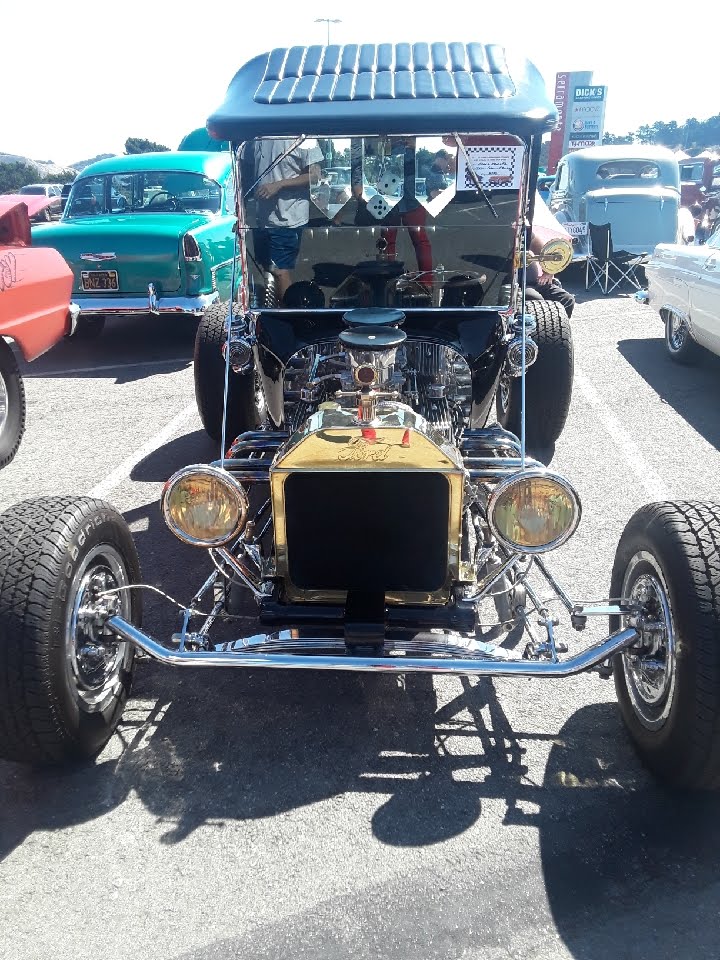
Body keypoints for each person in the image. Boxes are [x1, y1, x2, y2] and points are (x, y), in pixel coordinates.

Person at [253, 138, 323, 304]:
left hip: (288, 216)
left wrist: (279, 185)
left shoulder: (303, 136)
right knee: (267, 268)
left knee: (280, 271)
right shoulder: (257, 135)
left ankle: (288, 317)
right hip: (260, 217)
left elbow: (315, 176)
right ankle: (273, 309)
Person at [525, 228, 575, 318]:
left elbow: (545, 254)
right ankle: (542, 329)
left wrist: (548, 273)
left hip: (537, 282)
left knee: (566, 299)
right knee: (536, 300)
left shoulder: (525, 233)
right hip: (518, 286)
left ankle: (557, 329)